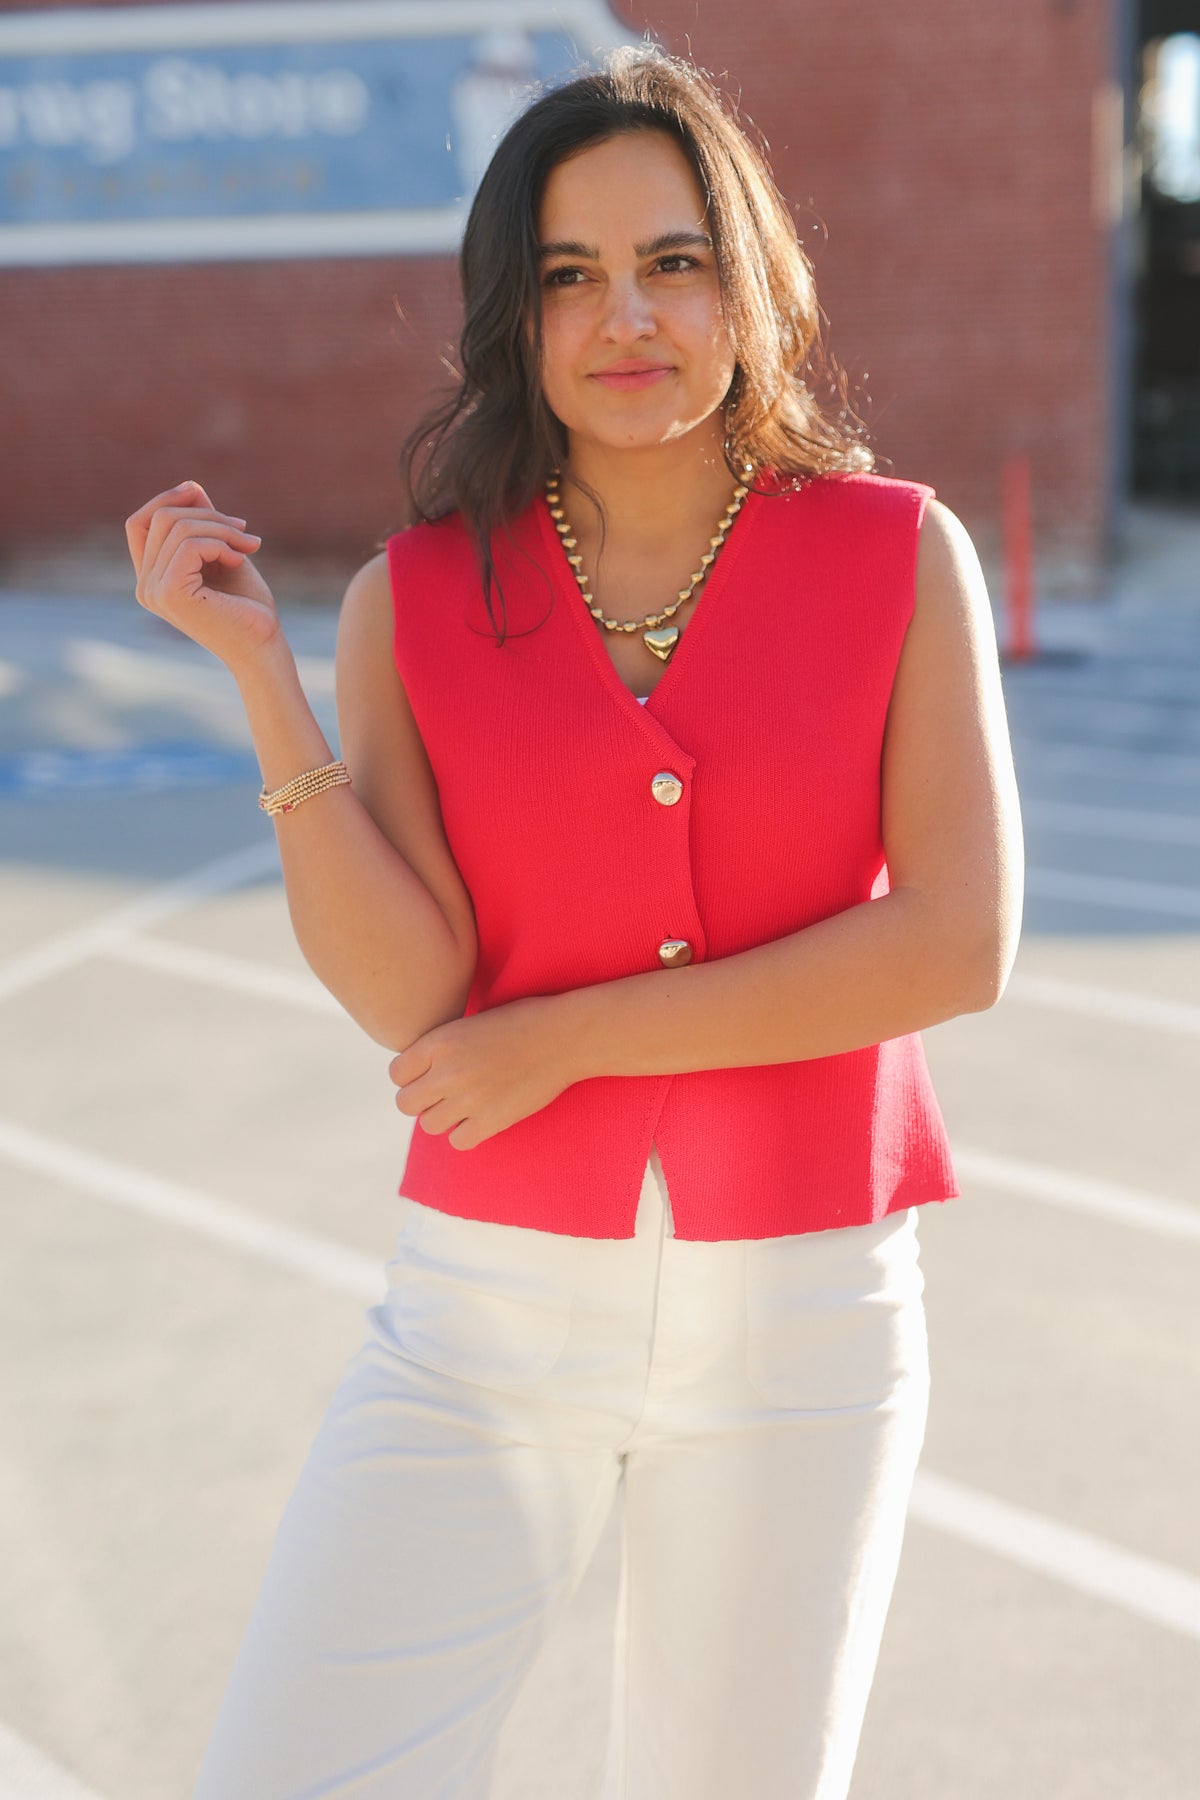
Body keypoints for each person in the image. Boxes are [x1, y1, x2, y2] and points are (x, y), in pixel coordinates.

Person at [125, 46, 1023, 1800]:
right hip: (481, 1320)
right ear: (511, 317)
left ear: (751, 286)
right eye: (569, 275)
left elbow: (955, 945)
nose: (628, 314)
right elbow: (414, 996)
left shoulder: (898, 557)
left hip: (805, 1328)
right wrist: (266, 688)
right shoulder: (415, 599)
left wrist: (569, 1037)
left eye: (674, 261)